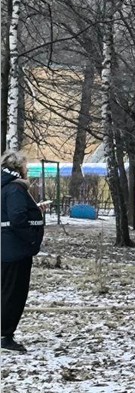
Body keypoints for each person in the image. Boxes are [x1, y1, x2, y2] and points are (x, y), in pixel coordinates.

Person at [1, 150, 45, 352]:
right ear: (18, 169)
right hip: (15, 250)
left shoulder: (4, 188)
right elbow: (17, 218)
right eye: (25, 167)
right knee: (13, 293)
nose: (27, 171)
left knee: (5, 291)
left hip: (6, 248)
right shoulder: (15, 189)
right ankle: (5, 335)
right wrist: (32, 239)